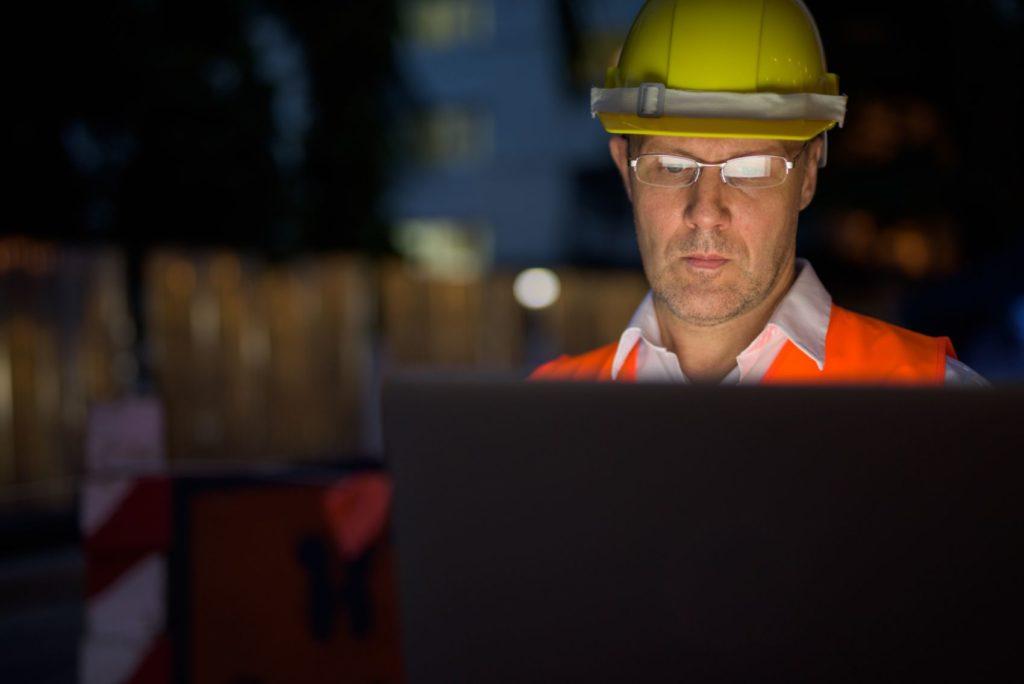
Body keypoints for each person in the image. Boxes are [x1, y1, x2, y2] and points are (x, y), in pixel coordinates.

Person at [531, 0, 985, 385]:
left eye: (750, 169)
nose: (706, 212)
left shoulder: (933, 399)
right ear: (624, 171)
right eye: (671, 165)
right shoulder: (543, 415)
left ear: (808, 173)